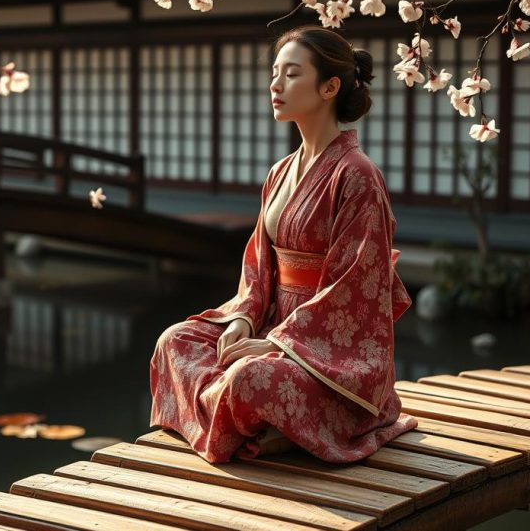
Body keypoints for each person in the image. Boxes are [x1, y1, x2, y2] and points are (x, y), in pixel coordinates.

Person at [149, 25, 417, 464]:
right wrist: (244, 321)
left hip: (328, 356)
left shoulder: (358, 175)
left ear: (330, 86)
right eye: (275, 73)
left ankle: (277, 420)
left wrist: (279, 343)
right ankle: (269, 427)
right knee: (174, 341)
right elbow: (259, 268)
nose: (275, 84)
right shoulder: (280, 171)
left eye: (291, 74)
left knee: (250, 378)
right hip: (271, 323)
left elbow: (355, 289)